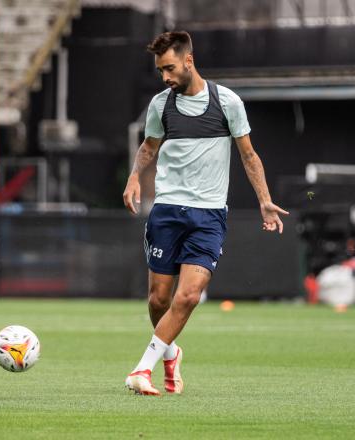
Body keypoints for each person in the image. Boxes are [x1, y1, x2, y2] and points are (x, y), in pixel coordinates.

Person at [122, 31, 289, 396]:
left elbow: (248, 155)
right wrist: (134, 177)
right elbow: (149, 147)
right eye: (159, 70)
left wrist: (264, 199)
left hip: (209, 216)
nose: (164, 76)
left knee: (188, 297)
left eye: (169, 68)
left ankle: (140, 370)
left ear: (189, 61)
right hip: (166, 212)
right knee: (158, 301)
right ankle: (170, 353)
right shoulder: (160, 105)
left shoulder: (226, 102)